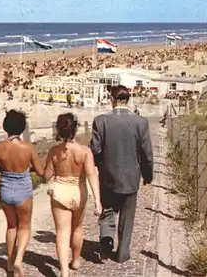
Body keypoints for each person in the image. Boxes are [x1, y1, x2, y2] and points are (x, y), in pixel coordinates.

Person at [89, 85, 153, 263]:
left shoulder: (101, 121)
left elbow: (95, 149)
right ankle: (123, 253)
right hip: (131, 178)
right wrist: (147, 175)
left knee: (107, 211)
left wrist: (97, 167)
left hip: (108, 177)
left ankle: (106, 242)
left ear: (112, 99)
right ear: (128, 100)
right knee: (127, 215)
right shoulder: (141, 122)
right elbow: (146, 152)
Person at [43, 113, 102, 277]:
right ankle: (75, 260)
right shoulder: (85, 151)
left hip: (60, 189)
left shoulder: (54, 151)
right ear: (75, 129)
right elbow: (91, 175)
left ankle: (64, 270)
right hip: (78, 190)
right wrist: (97, 200)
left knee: (62, 232)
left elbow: (46, 176)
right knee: (77, 228)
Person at [0, 110, 44, 276]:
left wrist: (1, 167)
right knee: (24, 227)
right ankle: (19, 259)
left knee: (11, 226)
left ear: (5, 127)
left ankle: (10, 264)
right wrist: (28, 168)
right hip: (23, 190)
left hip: (6, 189)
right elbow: (40, 171)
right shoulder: (28, 148)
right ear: (22, 127)